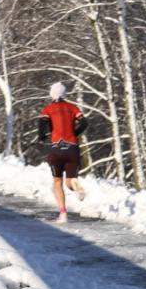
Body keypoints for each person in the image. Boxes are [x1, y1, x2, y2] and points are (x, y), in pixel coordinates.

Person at [37, 82, 87, 223]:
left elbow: (41, 125)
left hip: (57, 148)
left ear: (52, 94)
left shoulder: (48, 109)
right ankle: (75, 184)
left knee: (57, 181)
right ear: (65, 94)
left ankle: (63, 214)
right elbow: (85, 123)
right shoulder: (73, 108)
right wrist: (74, 133)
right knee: (69, 181)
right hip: (72, 148)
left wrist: (42, 137)